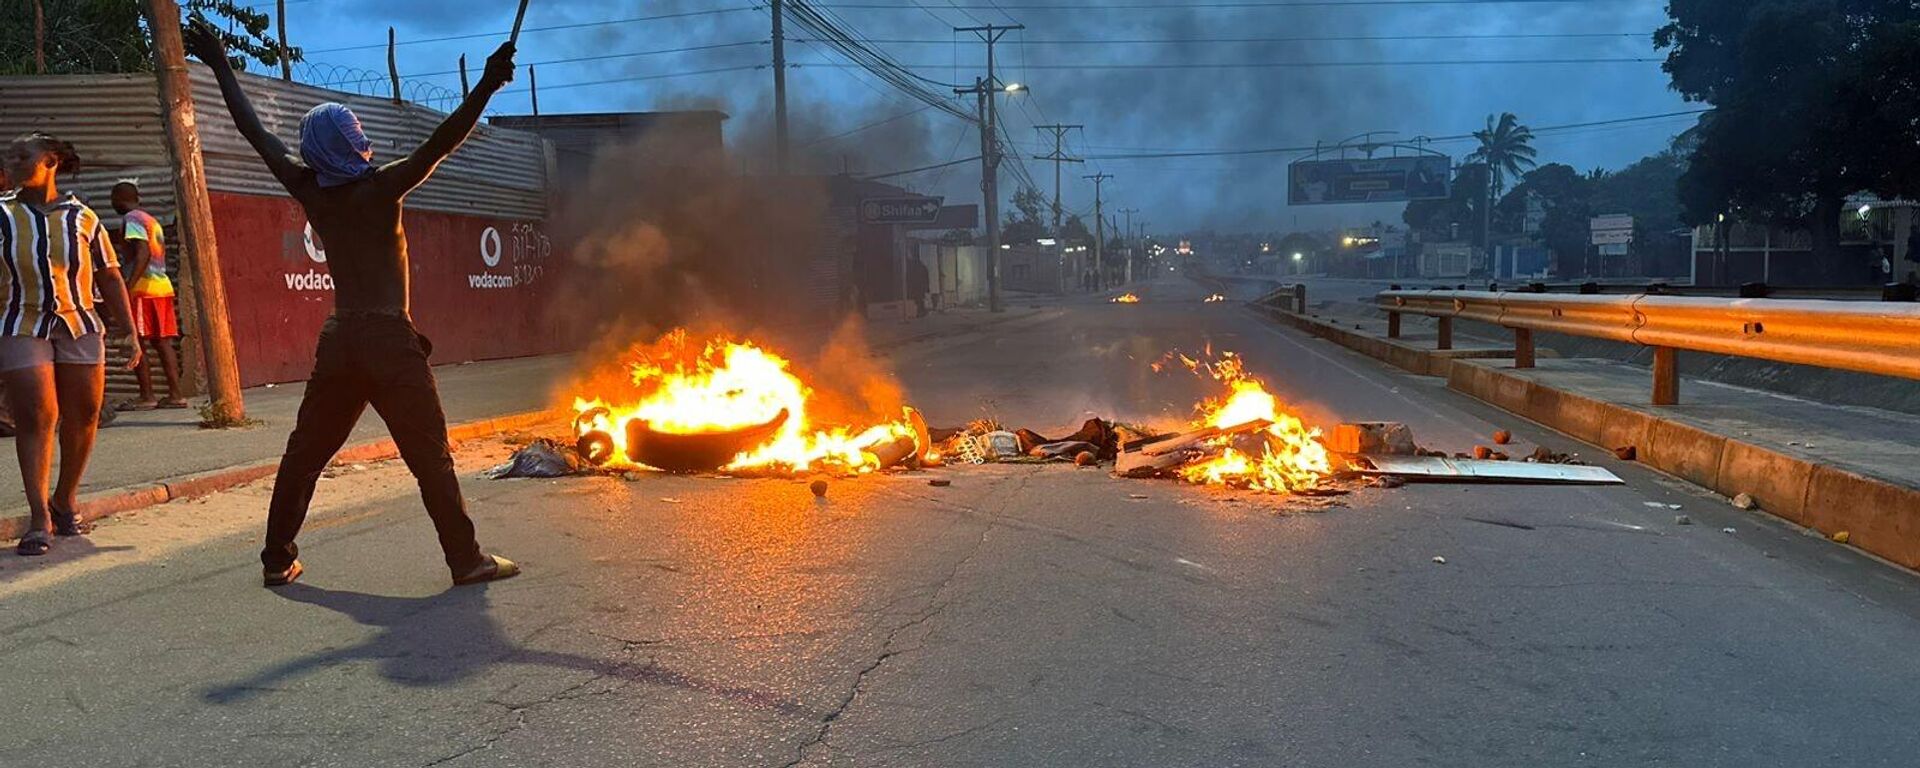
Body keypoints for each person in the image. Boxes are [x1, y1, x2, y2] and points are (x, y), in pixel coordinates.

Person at [186, 20, 518, 587]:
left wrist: (218, 64)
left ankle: (275, 560)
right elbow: (442, 141)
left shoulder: (308, 187)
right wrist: (487, 85)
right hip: (390, 340)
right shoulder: (382, 187)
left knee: (305, 455)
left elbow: (254, 132)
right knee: (430, 458)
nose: (365, 136)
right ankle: (466, 560)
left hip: (340, 340)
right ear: (348, 144)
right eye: (357, 131)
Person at [0, 133, 144, 556]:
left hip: (80, 324)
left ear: (51, 161)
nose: (11, 160)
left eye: (21, 154)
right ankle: (39, 517)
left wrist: (128, 329)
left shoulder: (82, 217)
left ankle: (64, 499)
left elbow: (109, 274)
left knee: (84, 415)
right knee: (38, 416)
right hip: (21, 323)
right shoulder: (2, 214)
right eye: (10, 154)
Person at [111, 180, 188, 410]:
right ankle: (176, 395)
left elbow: (142, 250)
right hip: (162, 288)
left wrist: (128, 284)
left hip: (144, 290)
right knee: (162, 342)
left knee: (138, 342)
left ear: (116, 198)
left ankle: (147, 396)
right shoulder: (151, 220)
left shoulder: (132, 218)